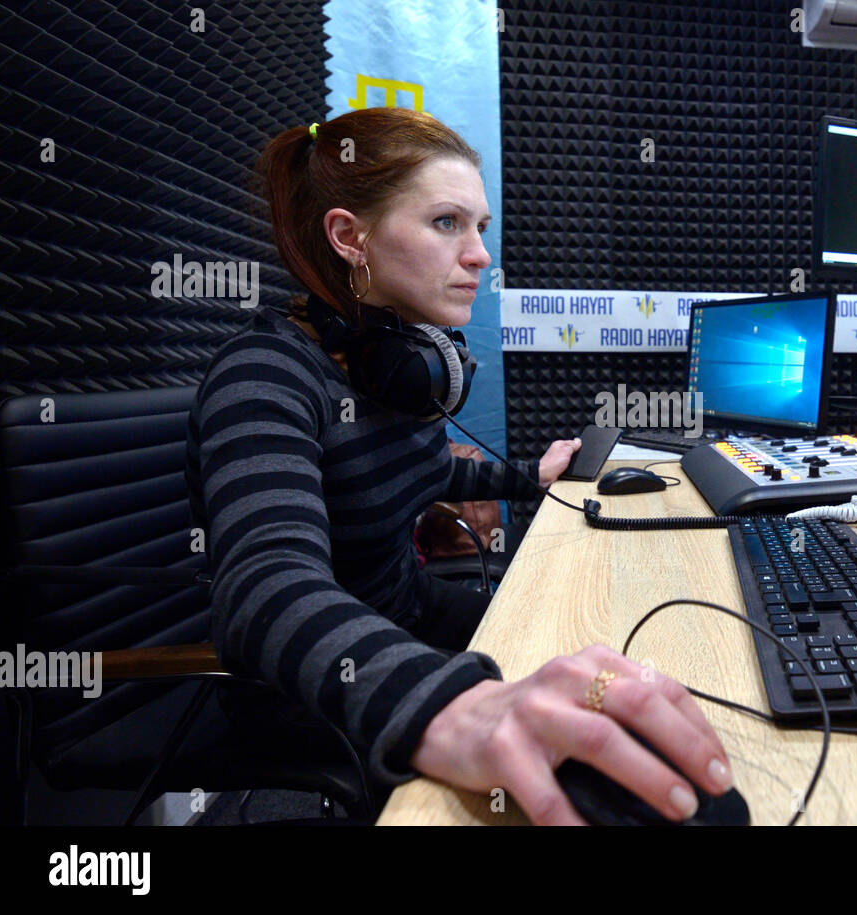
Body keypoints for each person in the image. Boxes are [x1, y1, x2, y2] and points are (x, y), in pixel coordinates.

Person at [185, 107, 732, 825]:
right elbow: (263, 590)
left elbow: (427, 471)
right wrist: (453, 705)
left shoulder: (390, 365)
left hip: (412, 608)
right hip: (315, 676)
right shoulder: (263, 375)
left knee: (602, 653)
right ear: (351, 237)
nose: (479, 254)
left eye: (481, 228)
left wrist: (530, 475)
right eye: (447, 223)